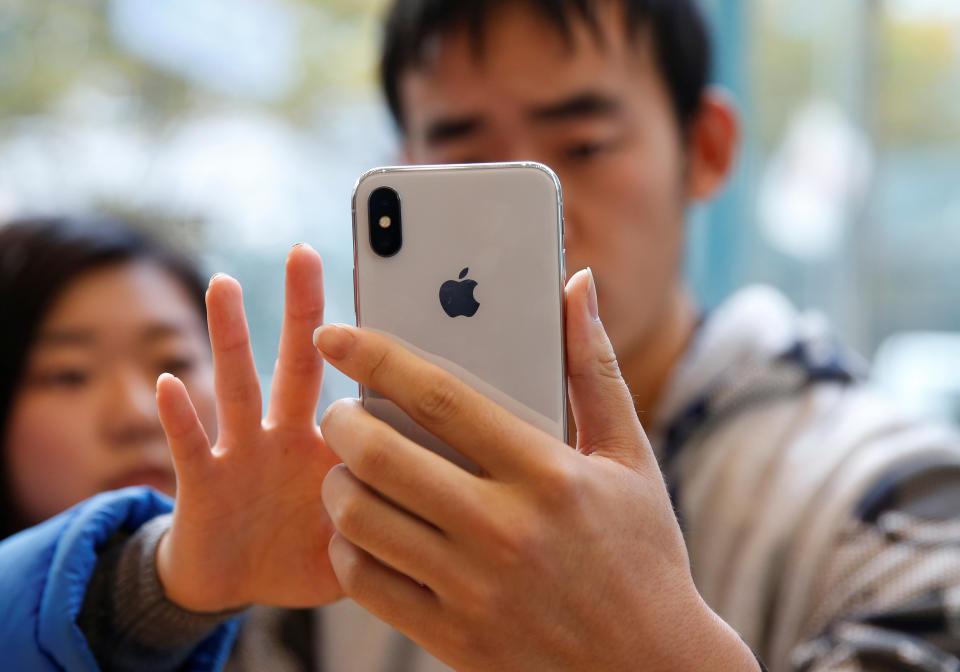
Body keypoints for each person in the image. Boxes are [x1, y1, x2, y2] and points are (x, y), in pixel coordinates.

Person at [3, 1, 960, 670]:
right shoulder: (351, 490)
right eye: (462, 153)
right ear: (401, 168)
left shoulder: (889, 488)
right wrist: (165, 586)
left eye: (582, 144)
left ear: (705, 149)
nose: (543, 211)